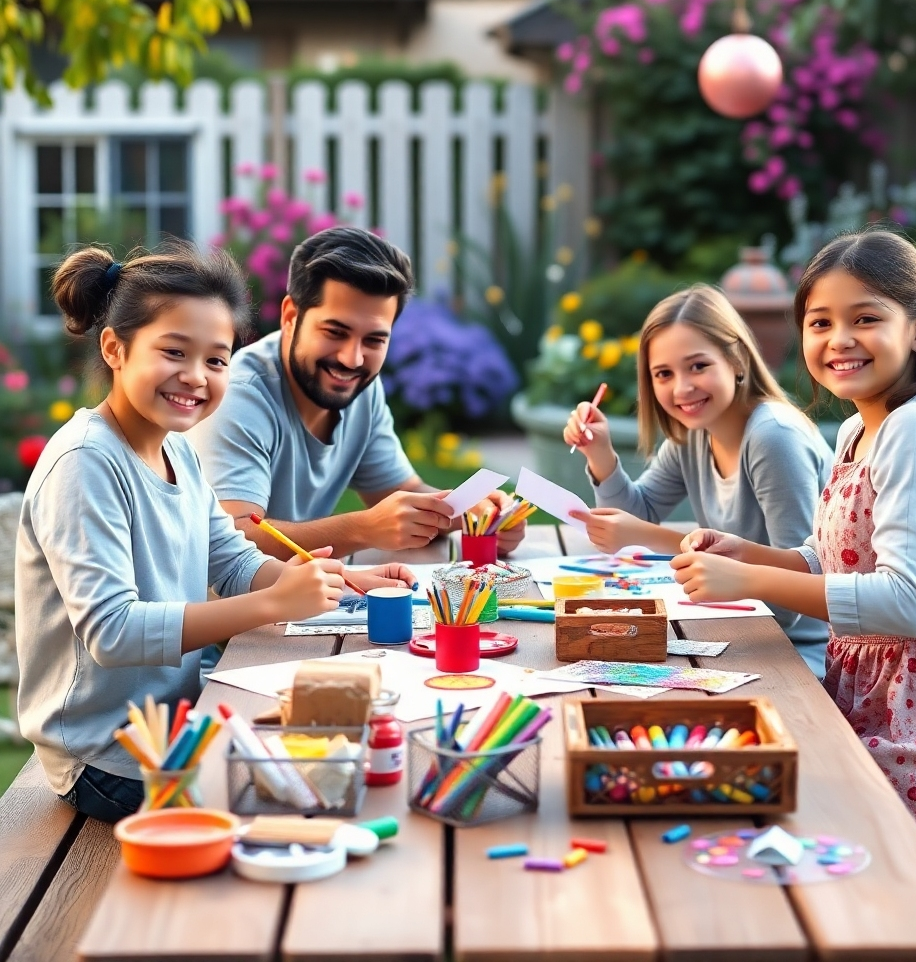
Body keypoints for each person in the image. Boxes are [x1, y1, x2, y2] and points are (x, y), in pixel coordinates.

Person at [15, 243, 414, 823]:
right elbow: (113, 631)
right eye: (174, 352)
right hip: (107, 756)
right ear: (115, 348)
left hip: (177, 725)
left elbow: (228, 558)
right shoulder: (84, 463)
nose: (196, 377)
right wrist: (272, 604)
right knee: (312, 797)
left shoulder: (175, 445)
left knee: (347, 760)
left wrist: (337, 580)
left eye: (217, 360)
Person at [671, 231, 916, 830]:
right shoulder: (859, 431)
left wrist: (746, 578)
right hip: (870, 695)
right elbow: (835, 556)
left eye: (865, 318)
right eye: (820, 322)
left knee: (742, 812)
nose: (839, 340)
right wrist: (749, 554)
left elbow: (908, 605)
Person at [187, 227, 526, 560]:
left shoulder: (360, 388)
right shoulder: (239, 396)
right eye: (336, 332)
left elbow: (400, 495)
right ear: (291, 316)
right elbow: (233, 537)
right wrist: (362, 528)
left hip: (301, 598)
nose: (353, 358)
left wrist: (468, 511)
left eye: (374, 340)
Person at [563, 284, 833, 676]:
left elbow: (796, 589)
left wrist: (649, 536)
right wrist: (600, 453)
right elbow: (639, 513)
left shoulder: (774, 437)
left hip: (801, 650)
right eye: (663, 374)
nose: (682, 388)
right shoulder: (695, 433)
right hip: (737, 626)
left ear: (737, 360)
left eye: (698, 366)